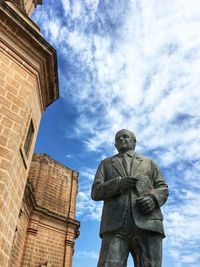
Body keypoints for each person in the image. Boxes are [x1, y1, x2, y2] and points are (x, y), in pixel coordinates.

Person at [91, 129, 169, 267]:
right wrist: (118, 184)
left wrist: (153, 199)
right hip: (115, 226)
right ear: (115, 145)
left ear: (134, 142)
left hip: (148, 222)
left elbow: (163, 188)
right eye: (118, 138)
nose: (122, 139)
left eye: (125, 137)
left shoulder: (148, 162)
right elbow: (96, 192)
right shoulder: (106, 163)